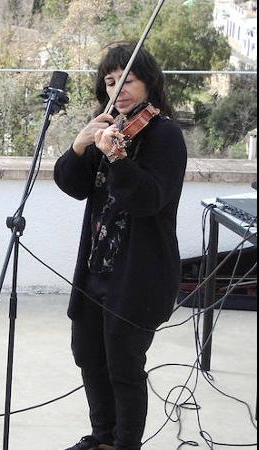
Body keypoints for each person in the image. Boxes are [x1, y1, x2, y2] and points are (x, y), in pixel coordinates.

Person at [53, 43, 185, 450]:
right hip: (96, 269)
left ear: (148, 82)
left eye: (127, 79)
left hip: (140, 275)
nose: (118, 88)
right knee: (89, 356)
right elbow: (72, 185)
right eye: (110, 82)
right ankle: (103, 438)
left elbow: (147, 200)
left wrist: (119, 158)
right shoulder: (110, 129)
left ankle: (126, 444)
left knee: (124, 366)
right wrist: (80, 146)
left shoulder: (164, 136)